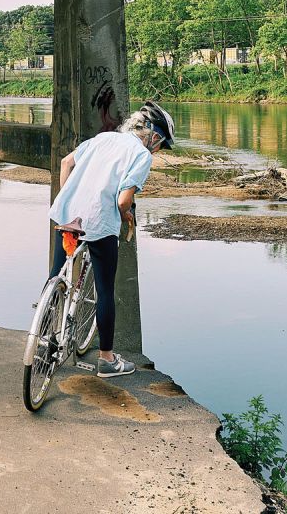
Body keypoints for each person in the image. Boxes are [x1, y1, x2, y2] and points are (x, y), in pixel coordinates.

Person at [49, 100, 175, 378]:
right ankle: (106, 359)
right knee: (105, 290)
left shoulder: (104, 138)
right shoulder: (142, 156)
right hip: (98, 222)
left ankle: (45, 336)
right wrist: (128, 215)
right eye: (161, 143)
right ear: (153, 135)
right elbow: (122, 201)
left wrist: (68, 197)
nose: (158, 149)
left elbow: (65, 162)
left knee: (56, 276)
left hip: (68, 215)